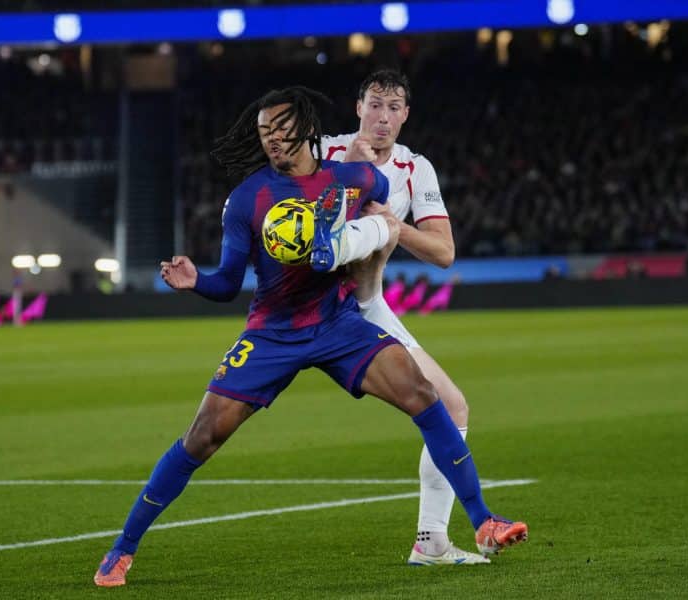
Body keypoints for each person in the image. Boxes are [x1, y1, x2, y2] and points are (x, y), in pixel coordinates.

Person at [93, 87, 526, 587]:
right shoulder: (247, 199)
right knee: (202, 437)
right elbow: (229, 283)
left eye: (280, 130)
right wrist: (197, 282)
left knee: (424, 395)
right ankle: (122, 549)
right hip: (273, 332)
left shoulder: (355, 178)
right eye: (263, 135)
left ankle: (483, 521)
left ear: (305, 128)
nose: (272, 142)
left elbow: (382, 214)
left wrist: (364, 247)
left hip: (338, 324)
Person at [322, 69, 519, 565]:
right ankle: (128, 541)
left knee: (452, 406)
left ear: (406, 115)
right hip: (304, 308)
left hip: (366, 308)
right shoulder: (323, 151)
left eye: (393, 108)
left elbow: (445, 253)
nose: (382, 117)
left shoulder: (416, 170)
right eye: (374, 104)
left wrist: (395, 227)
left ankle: (431, 541)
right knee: (216, 425)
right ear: (358, 107)